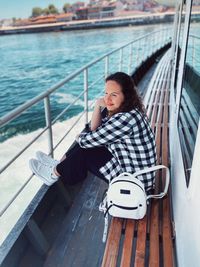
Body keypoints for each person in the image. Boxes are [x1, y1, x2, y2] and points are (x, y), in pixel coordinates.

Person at [29, 72, 157, 192]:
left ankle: (52, 174)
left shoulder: (125, 119)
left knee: (85, 149)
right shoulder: (128, 109)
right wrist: (97, 105)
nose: (107, 99)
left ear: (126, 96)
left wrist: (79, 137)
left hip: (135, 181)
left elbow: (87, 140)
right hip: (135, 170)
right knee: (89, 145)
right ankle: (58, 166)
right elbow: (95, 130)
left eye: (114, 94)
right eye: (106, 93)